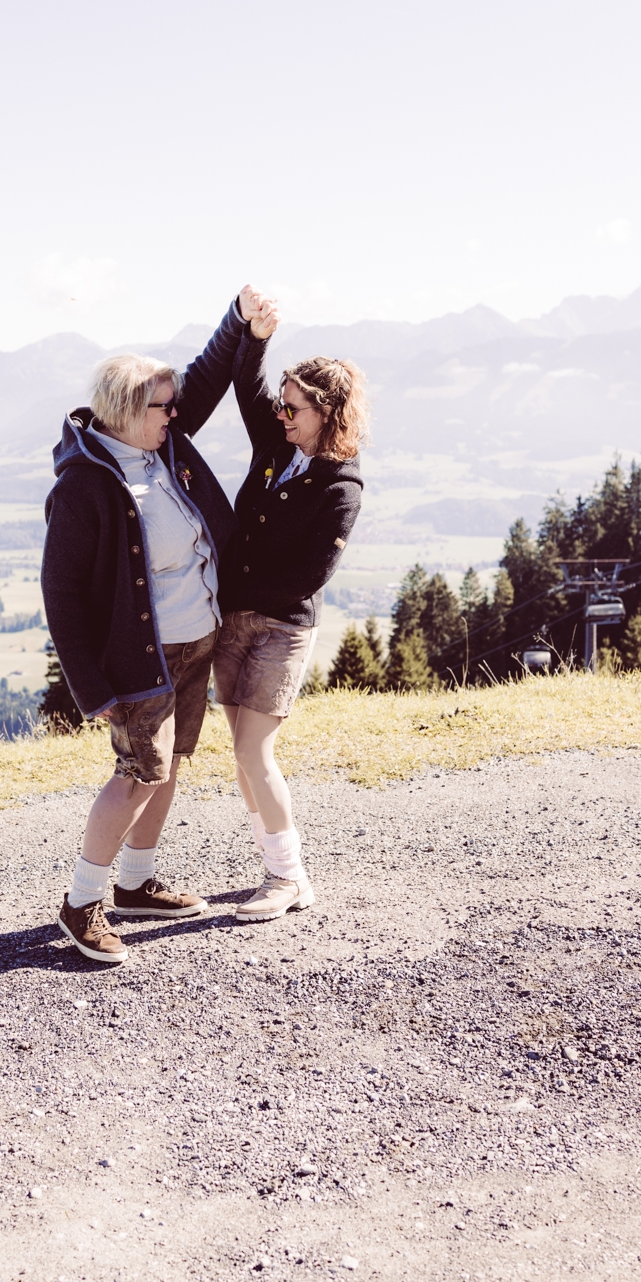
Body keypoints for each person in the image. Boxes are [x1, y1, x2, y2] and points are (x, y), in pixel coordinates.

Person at [42, 287, 280, 964]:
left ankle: (135, 882)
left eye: (175, 406)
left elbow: (204, 377)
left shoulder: (161, 445)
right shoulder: (85, 486)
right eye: (163, 407)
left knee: (170, 763)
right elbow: (61, 593)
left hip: (192, 642)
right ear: (125, 412)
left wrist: (239, 323)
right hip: (138, 661)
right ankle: (81, 902)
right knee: (137, 774)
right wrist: (93, 689)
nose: (177, 414)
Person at [214, 306, 369, 922]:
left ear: (325, 414)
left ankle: (288, 877)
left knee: (256, 754)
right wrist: (257, 336)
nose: (280, 414)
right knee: (241, 753)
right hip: (233, 622)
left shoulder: (341, 486)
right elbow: (245, 385)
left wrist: (240, 587)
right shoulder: (275, 444)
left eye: (293, 407)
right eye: (281, 405)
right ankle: (275, 868)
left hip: (282, 626)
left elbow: (311, 575)